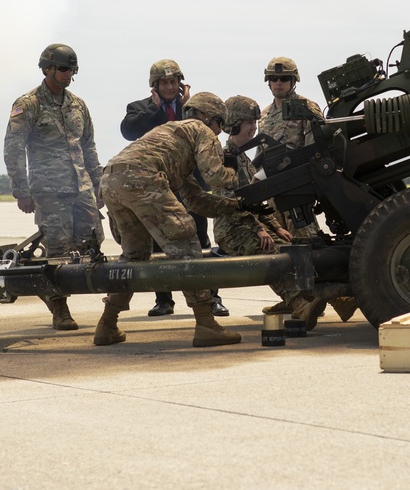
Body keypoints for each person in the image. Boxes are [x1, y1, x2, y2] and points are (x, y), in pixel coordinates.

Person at [94, 92, 243, 348]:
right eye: (220, 125)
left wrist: (235, 206)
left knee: (134, 255)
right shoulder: (200, 128)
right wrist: (237, 176)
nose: (218, 133)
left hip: (111, 179)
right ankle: (207, 324)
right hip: (141, 176)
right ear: (209, 117)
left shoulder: (171, 137)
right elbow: (215, 176)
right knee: (186, 246)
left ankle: (107, 325)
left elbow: (196, 200)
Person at [4, 43, 103, 331]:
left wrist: (98, 184)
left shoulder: (78, 105)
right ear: (47, 68)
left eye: (71, 68)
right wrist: (21, 190)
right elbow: (13, 148)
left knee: (92, 243)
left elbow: (89, 146)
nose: (67, 73)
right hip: (49, 191)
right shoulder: (28, 103)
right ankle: (59, 309)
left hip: (81, 188)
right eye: (62, 68)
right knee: (57, 251)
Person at [120, 59, 229, 318]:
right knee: (159, 243)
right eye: (164, 83)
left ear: (181, 84)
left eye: (174, 82)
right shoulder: (139, 109)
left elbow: (209, 136)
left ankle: (212, 298)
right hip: (154, 186)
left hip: (190, 185)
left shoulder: (195, 109)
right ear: (154, 86)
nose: (170, 87)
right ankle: (164, 300)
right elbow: (128, 132)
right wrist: (155, 109)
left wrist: (185, 106)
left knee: (199, 239)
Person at [212, 96, 331, 322]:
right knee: (274, 256)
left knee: (294, 249)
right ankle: (300, 304)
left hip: (248, 224)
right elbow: (231, 204)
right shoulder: (226, 159)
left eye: (255, 123)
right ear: (234, 124)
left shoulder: (244, 159)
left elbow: (255, 203)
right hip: (232, 229)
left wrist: (276, 228)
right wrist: (259, 230)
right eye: (249, 123)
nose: (254, 128)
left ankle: (331, 299)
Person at [259, 56, 358, 324]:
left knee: (309, 245)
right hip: (272, 191)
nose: (278, 83)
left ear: (293, 81)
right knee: (279, 249)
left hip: (298, 189)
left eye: (284, 79)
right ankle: (295, 297)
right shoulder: (264, 115)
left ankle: (342, 298)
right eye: (274, 79)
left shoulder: (306, 108)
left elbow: (319, 149)